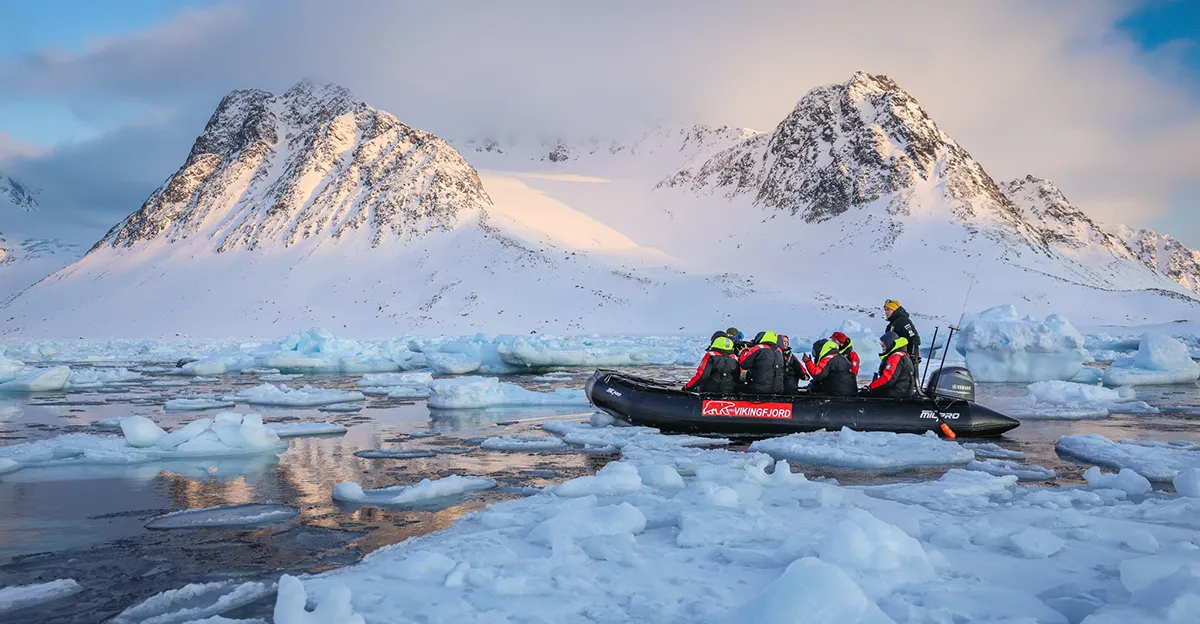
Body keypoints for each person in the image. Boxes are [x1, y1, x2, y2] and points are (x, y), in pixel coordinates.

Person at [862, 332, 915, 399]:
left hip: (897, 393)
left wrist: (870, 388)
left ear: (889, 344)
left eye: (884, 345)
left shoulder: (896, 356)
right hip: (902, 391)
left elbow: (888, 379)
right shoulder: (901, 354)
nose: (882, 347)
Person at [883, 299, 921, 369]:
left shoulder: (904, 321)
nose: (886, 312)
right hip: (895, 358)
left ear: (894, 310)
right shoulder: (892, 324)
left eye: (888, 310)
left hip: (905, 358)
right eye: (885, 310)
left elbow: (914, 338)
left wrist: (912, 355)